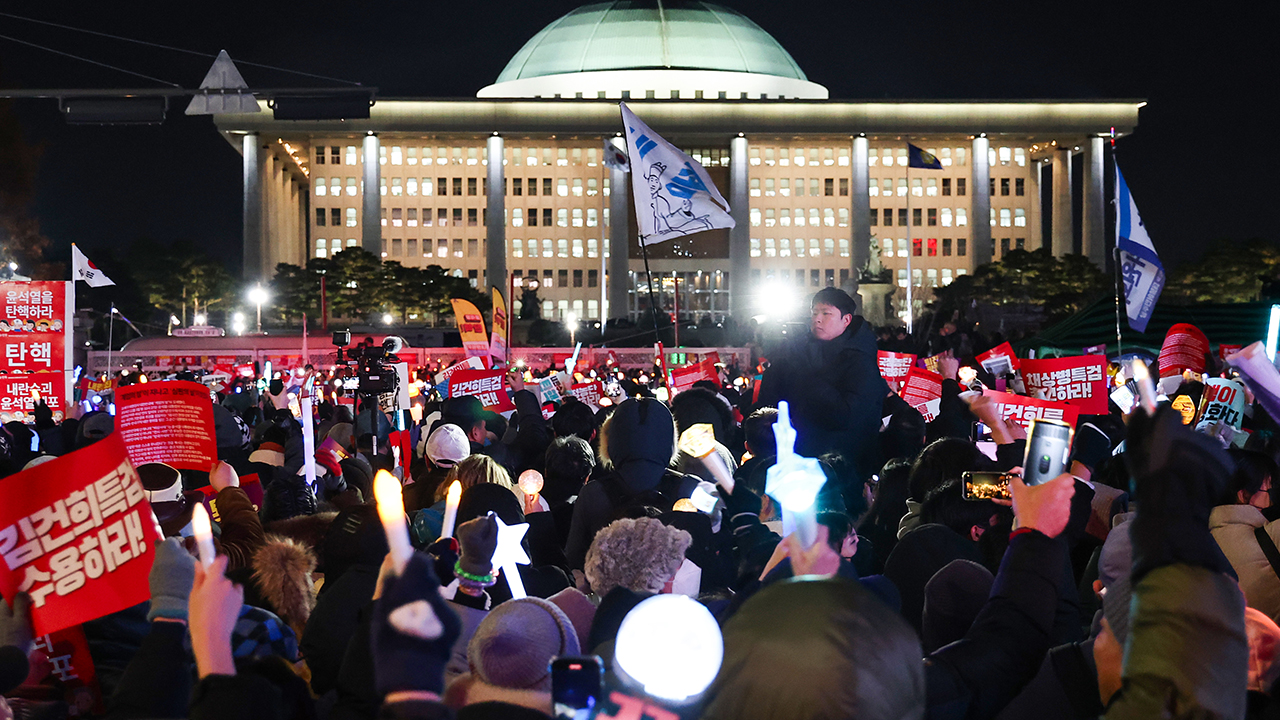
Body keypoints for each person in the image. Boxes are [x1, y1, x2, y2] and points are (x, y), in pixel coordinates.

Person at [756, 286, 888, 478]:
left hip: (843, 470)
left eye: (826, 313)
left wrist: (804, 374)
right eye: (814, 313)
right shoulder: (797, 351)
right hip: (794, 465)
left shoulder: (860, 360)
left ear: (846, 320)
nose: (817, 319)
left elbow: (847, 416)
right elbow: (769, 402)